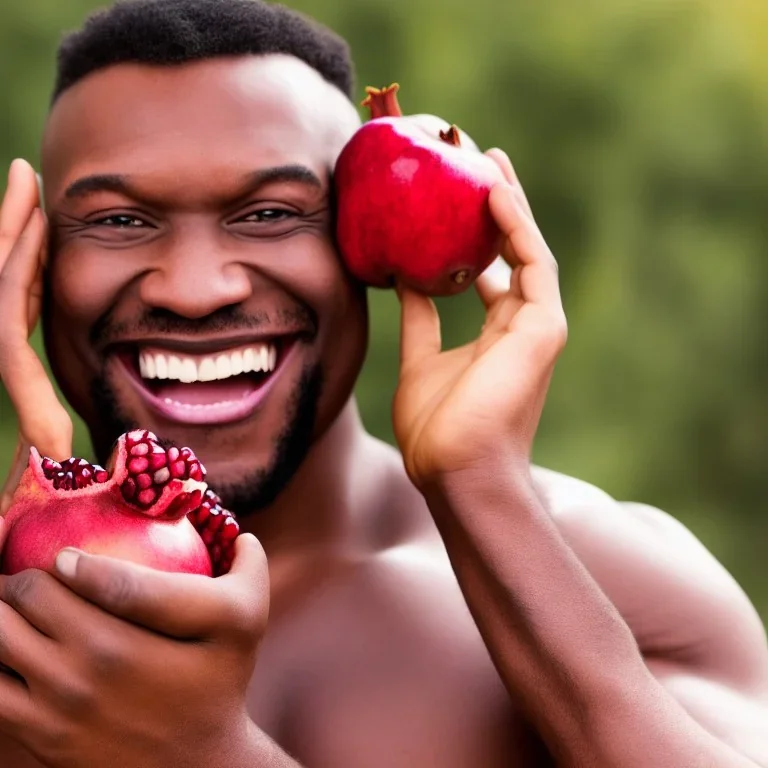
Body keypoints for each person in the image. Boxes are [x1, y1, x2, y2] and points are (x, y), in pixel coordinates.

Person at [0, 0, 766, 766]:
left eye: (269, 213)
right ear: (34, 261)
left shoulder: (617, 579)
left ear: (369, 233)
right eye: (119, 222)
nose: (196, 289)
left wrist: (480, 489)